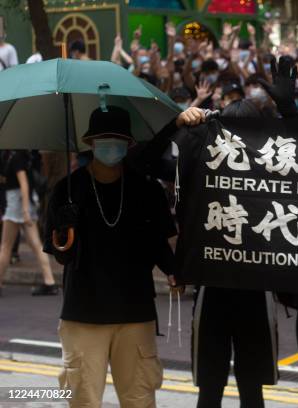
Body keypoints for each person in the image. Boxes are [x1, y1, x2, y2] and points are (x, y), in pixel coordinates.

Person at [43, 105, 205, 407]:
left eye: (117, 139)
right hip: (83, 314)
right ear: (90, 142)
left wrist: (173, 271)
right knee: (83, 399)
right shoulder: (67, 190)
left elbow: (158, 242)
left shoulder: (146, 189)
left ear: (129, 144)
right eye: (103, 139)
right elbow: (61, 257)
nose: (110, 146)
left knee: (139, 399)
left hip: (135, 313)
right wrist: (65, 229)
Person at [192, 100, 278, 408]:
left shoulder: (272, 167)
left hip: (254, 291)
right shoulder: (202, 162)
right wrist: (186, 124)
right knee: (210, 389)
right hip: (213, 289)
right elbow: (150, 162)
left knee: (252, 389)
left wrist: (287, 107)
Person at [0, 150, 56, 297]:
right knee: (36, 245)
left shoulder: (16, 156)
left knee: (6, 246)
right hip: (26, 202)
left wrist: (24, 211)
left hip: (17, 203)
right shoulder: (24, 155)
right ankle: (49, 281)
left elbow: (23, 183)